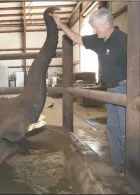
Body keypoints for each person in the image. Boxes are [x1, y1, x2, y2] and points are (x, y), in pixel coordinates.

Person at [50, 8, 127, 175]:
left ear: (107, 24)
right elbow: (77, 38)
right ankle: (119, 166)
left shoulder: (123, 40)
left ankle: (131, 169)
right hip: (110, 91)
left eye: (96, 27)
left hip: (124, 88)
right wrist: (61, 25)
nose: (93, 30)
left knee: (125, 130)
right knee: (113, 129)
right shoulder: (100, 40)